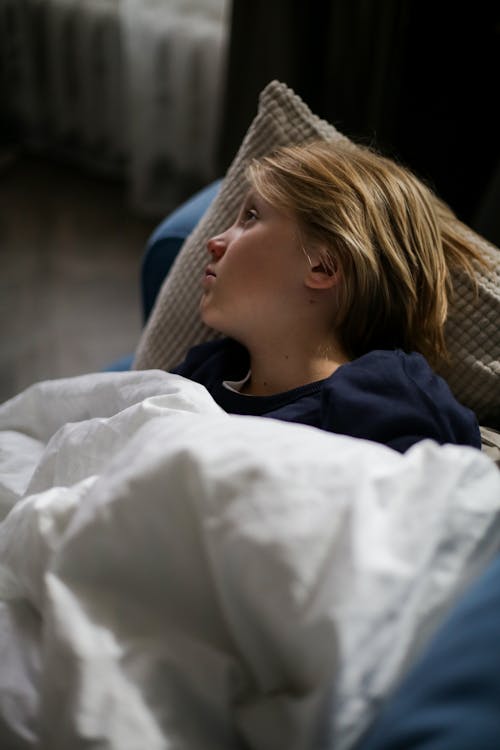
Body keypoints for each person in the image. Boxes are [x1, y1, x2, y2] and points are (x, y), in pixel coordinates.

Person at [172, 139, 484, 453]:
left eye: (251, 217)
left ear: (323, 266)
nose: (213, 241)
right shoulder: (211, 368)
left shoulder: (384, 398)